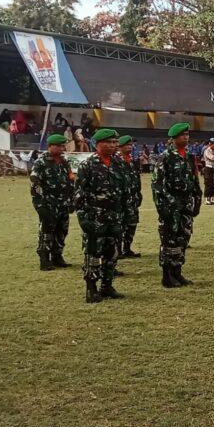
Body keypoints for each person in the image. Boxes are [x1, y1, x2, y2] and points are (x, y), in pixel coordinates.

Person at [74, 129, 126, 303]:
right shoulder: (87, 165)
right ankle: (91, 288)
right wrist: (83, 217)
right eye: (108, 142)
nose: (112, 145)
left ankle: (107, 286)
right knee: (93, 253)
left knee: (112, 253)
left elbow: (123, 190)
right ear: (97, 144)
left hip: (114, 216)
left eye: (114, 142)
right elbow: (79, 193)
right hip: (95, 217)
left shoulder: (118, 163)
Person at [152, 123, 202, 288]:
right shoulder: (165, 157)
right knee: (169, 240)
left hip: (186, 204)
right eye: (182, 135)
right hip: (171, 205)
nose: (186, 138)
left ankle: (177, 272)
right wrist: (163, 208)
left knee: (183, 238)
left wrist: (197, 199)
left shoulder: (189, 157)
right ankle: (167, 275)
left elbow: (194, 180)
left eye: (187, 134)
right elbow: (158, 185)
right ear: (173, 138)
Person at [30, 133, 75, 271]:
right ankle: (44, 258)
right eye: (59, 146)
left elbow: (70, 181)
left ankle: (57, 256)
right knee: (47, 232)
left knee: (62, 231)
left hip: (63, 204)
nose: (62, 148)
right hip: (48, 204)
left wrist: (72, 200)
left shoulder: (64, 161)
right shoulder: (41, 162)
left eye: (63, 146)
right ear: (50, 146)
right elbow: (35, 185)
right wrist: (39, 206)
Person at [117, 135, 142, 258]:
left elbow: (136, 179)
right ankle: (117, 250)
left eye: (131, 145)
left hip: (132, 200)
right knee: (119, 225)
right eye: (127, 145)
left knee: (132, 224)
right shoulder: (116, 161)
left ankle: (127, 248)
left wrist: (138, 194)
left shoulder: (131, 161)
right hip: (121, 200)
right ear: (120, 147)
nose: (130, 147)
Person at [202, 138, 214, 205]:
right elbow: (212, 158)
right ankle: (207, 199)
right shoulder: (207, 150)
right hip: (208, 168)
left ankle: (212, 199)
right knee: (208, 183)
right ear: (210, 144)